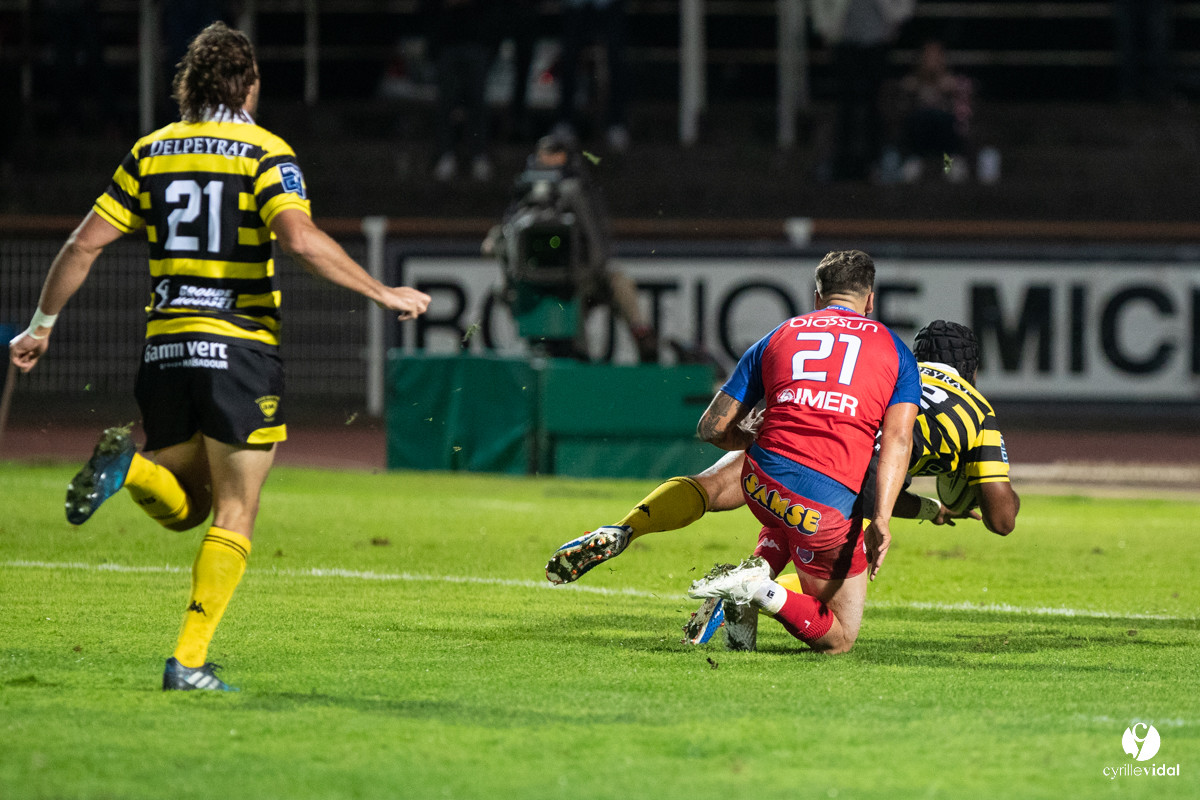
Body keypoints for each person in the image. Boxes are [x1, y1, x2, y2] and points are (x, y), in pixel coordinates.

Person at [7, 22, 431, 691]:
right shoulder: (265, 152)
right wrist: (381, 291)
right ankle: (188, 662)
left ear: (190, 85)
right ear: (249, 85)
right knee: (236, 511)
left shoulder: (150, 151)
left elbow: (82, 244)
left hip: (167, 347)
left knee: (185, 506)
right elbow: (299, 239)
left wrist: (41, 326)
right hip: (238, 348)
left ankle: (129, 469)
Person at [545, 319, 1020, 649]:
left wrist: (930, 510)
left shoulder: (891, 368)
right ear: (974, 370)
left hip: (797, 445)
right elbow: (1000, 518)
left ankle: (627, 528)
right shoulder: (976, 408)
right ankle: (759, 587)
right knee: (833, 602)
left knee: (718, 486)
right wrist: (963, 486)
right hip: (848, 482)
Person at [552, 250, 920, 655]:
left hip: (760, 484)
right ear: (871, 300)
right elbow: (898, 441)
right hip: (822, 504)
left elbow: (711, 428)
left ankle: (629, 529)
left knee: (759, 488)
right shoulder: (897, 353)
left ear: (817, 297)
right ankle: (759, 588)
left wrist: (754, 436)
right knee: (840, 637)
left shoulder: (779, 336)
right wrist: (881, 519)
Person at [482, 133, 658, 361]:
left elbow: (596, 244)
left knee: (620, 282)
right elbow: (508, 233)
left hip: (580, 275)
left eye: (556, 154)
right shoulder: (524, 191)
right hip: (531, 279)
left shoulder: (577, 191)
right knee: (506, 289)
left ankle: (641, 336)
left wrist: (581, 274)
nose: (550, 159)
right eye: (546, 154)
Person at [812, 0, 915, 181]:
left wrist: (896, 19)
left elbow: (904, 8)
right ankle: (844, 162)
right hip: (844, 40)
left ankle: (873, 161)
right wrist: (824, 26)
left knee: (874, 104)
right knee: (846, 105)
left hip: (878, 40)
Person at [422, 0, 499, 182]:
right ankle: (446, 154)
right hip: (447, 42)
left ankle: (478, 154)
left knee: (477, 102)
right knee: (446, 102)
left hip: (477, 41)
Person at [555, 0, 631, 152]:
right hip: (575, 5)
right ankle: (565, 121)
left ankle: (616, 123)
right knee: (569, 59)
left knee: (617, 60)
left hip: (608, 5)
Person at [896, 40, 974, 184]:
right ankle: (914, 161)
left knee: (942, 119)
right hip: (919, 137)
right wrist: (914, 93)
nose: (932, 61)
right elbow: (901, 114)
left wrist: (953, 93)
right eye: (928, 56)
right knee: (923, 117)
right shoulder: (910, 83)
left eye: (936, 56)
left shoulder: (954, 83)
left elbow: (964, 117)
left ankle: (949, 165)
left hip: (946, 138)